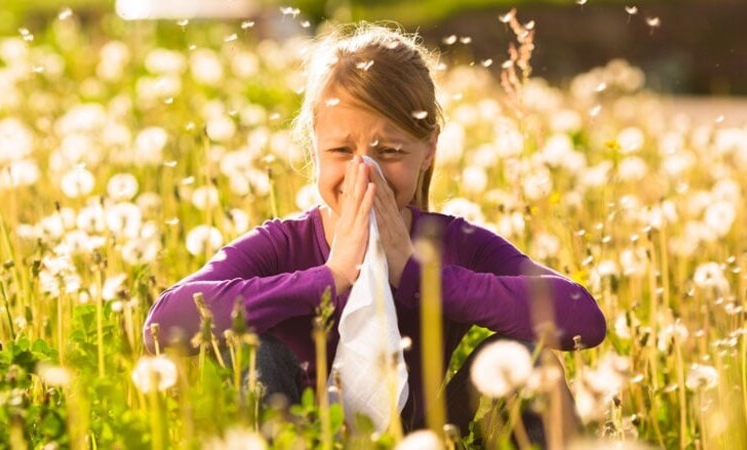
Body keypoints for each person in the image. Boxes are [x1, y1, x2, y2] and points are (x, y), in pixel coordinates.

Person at [143, 23, 606, 443]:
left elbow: (582, 317)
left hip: (427, 439)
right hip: (297, 434)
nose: (364, 172)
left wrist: (420, 276)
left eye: (389, 151)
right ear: (315, 148)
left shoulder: (453, 244)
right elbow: (164, 324)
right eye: (342, 150)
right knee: (254, 351)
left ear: (428, 151)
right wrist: (330, 277)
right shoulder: (284, 243)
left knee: (528, 358)